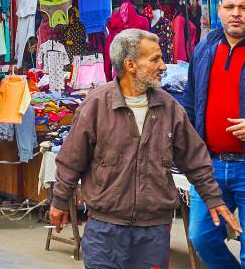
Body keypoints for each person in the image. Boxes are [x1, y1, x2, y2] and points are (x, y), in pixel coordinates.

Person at [51, 29, 238, 268]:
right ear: (130, 64)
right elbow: (71, 160)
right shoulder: (97, 105)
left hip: (154, 232)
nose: (163, 66)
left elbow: (195, 159)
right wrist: (59, 201)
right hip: (105, 230)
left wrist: (213, 199)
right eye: (155, 59)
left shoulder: (169, 107)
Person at [180, 0, 245, 266]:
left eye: (243, 8)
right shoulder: (205, 47)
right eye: (230, 7)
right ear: (218, 11)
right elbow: (190, 100)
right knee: (201, 237)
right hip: (210, 165)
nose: (236, 14)